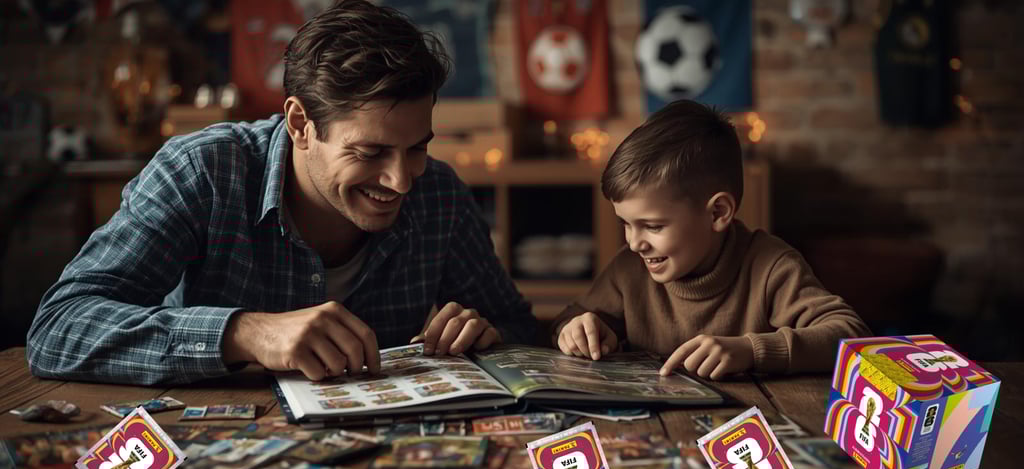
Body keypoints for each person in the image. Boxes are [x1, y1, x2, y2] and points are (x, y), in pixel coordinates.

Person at [26, 0, 535, 385]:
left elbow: (519, 327)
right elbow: (57, 329)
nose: (402, 181)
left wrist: (485, 334)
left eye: (417, 148)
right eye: (370, 153)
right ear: (300, 124)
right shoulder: (201, 171)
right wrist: (245, 333)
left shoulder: (439, 193)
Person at [550, 100, 870, 379]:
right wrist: (577, 330)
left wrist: (751, 350)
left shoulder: (771, 266)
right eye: (626, 224)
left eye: (653, 226)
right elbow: (567, 321)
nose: (635, 243)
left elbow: (851, 336)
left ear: (718, 213)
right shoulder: (628, 270)